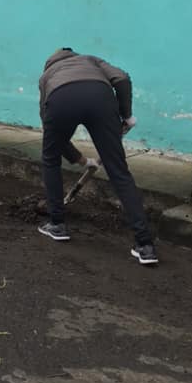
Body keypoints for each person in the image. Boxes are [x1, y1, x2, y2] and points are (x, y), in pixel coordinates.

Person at [38, 47, 158, 265]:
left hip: (61, 99)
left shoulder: (47, 76)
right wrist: (127, 114)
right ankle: (145, 245)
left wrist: (78, 158)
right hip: (101, 98)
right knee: (119, 172)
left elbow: (52, 131)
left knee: (50, 158)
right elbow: (121, 78)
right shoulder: (90, 60)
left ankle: (57, 224)